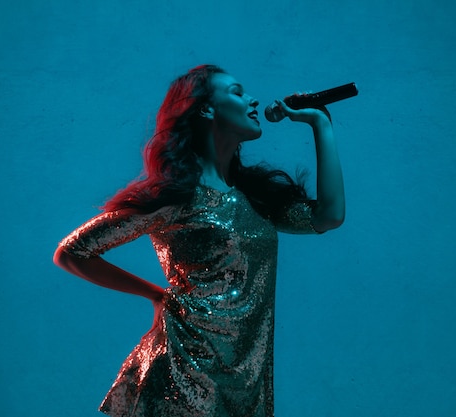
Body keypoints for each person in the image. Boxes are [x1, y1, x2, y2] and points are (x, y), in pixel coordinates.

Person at [53, 64, 345, 417]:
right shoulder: (176, 198)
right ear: (205, 108)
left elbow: (327, 216)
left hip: (245, 382)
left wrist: (321, 125)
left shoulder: (256, 198)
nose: (253, 100)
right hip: (183, 375)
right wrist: (156, 295)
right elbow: (72, 253)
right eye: (237, 92)